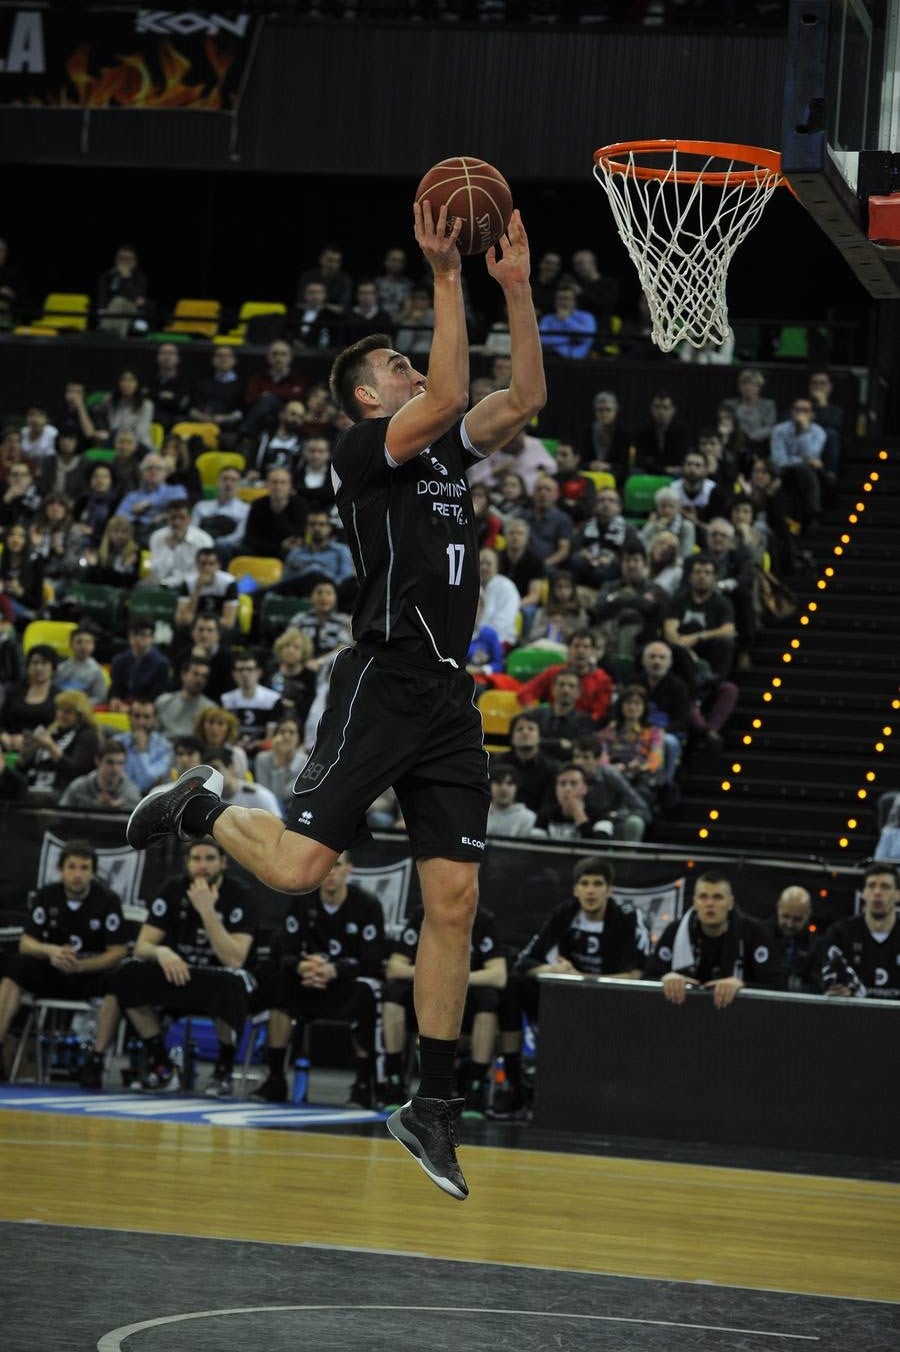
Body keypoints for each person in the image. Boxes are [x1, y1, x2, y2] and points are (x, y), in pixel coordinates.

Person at [126, 201, 546, 1202]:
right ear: (366, 394)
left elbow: (521, 392)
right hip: (381, 678)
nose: (412, 370)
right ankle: (199, 801)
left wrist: (517, 286)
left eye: (412, 363)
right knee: (300, 867)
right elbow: (446, 393)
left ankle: (431, 1101)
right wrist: (446, 272)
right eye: (394, 367)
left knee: (453, 898)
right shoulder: (362, 453)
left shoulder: (444, 455)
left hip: (448, 695)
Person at [495, 857, 646, 1118]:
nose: (590, 890)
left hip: (611, 1001)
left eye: (598, 884)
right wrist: (552, 970)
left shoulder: (626, 918)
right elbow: (524, 963)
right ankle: (513, 1085)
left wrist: (582, 978)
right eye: (584, 884)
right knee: (513, 987)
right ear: (575, 889)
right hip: (565, 1000)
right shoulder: (564, 914)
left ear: (610, 890)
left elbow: (635, 975)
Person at [108, 837, 257, 1093]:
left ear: (223, 863)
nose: (202, 866)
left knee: (230, 985)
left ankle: (224, 1068)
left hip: (218, 976)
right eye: (196, 859)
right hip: (177, 971)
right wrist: (163, 951)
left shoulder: (241, 895)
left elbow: (234, 959)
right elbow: (143, 946)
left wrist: (207, 911)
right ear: (187, 863)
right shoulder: (172, 889)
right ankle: (161, 1063)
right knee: (126, 974)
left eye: (210, 859)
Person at [252, 851, 384, 1107]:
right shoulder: (302, 901)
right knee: (278, 985)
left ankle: (363, 1084)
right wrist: (303, 967)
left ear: (349, 870)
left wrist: (335, 970)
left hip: (346, 983)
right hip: (308, 980)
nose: (331, 872)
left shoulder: (367, 905)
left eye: (337, 866)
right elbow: (285, 952)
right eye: (326, 867)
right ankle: (276, 1078)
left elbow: (373, 960)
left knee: (368, 993)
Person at [0, 840, 126, 1090]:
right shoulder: (47, 896)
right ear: (61, 869)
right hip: (52, 971)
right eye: (72, 867)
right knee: (16, 967)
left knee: (121, 979)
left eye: (84, 868)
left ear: (92, 872)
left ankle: (95, 1060)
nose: (78, 874)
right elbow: (26, 942)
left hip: (88, 973)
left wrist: (83, 966)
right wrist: (51, 951)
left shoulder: (107, 901)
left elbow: (118, 951)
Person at [381, 902, 506, 1117]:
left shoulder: (482, 919)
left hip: (464, 1001)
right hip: (426, 998)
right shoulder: (423, 914)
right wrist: (433, 976)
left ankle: (475, 1089)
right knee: (393, 995)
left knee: (489, 1000)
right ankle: (394, 1082)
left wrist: (454, 979)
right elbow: (394, 967)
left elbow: (498, 975)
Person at [644, 871, 784, 1006]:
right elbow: (646, 978)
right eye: (703, 897)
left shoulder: (754, 932)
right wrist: (665, 979)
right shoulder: (675, 931)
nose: (710, 903)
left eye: (717, 897)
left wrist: (743, 985)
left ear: (730, 902)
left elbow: (778, 985)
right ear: (694, 902)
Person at [0, 688, 100, 804]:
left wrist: (50, 747)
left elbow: (75, 770)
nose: (60, 715)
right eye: (59, 710)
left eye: (67, 712)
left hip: (63, 792)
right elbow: (22, 769)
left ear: (80, 715)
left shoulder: (87, 736)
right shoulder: (51, 732)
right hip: (34, 786)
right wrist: (25, 755)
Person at [820, 864, 900, 999]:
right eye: (871, 886)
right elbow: (829, 979)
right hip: (853, 1015)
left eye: (885, 887)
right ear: (863, 893)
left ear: (898, 894)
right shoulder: (839, 933)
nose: (877, 892)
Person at [517, 630, 614, 727]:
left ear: (592, 652)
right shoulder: (553, 672)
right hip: (552, 724)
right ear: (568, 649)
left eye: (586, 647)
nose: (581, 651)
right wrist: (534, 714)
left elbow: (600, 712)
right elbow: (525, 692)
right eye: (576, 646)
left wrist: (582, 723)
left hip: (584, 728)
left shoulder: (602, 680)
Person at [220, 653, 283, 763]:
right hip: (234, 752)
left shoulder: (272, 699)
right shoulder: (226, 700)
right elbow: (226, 734)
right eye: (240, 670)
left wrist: (256, 744)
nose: (244, 674)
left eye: (249, 669)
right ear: (234, 674)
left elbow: (271, 738)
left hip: (264, 753)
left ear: (258, 672)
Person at [117, 455, 188, 547]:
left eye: (158, 468)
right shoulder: (132, 497)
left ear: (166, 473)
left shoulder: (176, 490)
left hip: (166, 537)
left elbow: (180, 506)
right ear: (141, 473)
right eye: (149, 468)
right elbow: (119, 518)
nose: (153, 471)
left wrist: (150, 504)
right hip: (137, 536)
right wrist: (134, 514)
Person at [242, 466, 308, 560]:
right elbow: (250, 537)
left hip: (288, 551)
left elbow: (298, 535)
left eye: (282, 483)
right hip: (261, 550)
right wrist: (278, 546)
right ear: (267, 484)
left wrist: (279, 512)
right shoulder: (258, 504)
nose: (278, 487)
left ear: (290, 486)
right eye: (274, 482)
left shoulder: (300, 505)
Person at [146, 501, 214, 592]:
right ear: (168, 518)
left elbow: (198, 574)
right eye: (173, 518)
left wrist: (169, 583)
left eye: (182, 518)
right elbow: (156, 571)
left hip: (191, 588)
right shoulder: (157, 537)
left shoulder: (204, 541)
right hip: (160, 586)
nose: (177, 522)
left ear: (190, 519)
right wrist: (169, 547)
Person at [59, 738, 142, 811]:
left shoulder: (131, 794)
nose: (115, 769)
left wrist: (118, 810)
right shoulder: (78, 788)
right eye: (110, 762)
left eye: (120, 763)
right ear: (97, 761)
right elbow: (60, 818)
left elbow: (136, 826)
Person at [766, 885, 821, 994]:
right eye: (785, 916)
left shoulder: (816, 946)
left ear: (808, 914)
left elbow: (818, 986)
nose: (789, 924)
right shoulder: (759, 935)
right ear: (778, 908)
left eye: (797, 919)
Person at [108, 619, 171, 710]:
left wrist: (132, 708)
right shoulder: (118, 661)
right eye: (134, 635)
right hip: (122, 707)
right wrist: (114, 699)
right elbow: (115, 688)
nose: (137, 639)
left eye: (143, 635)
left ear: (152, 638)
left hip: (147, 709)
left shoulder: (161, 664)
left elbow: (157, 697)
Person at [174, 547, 239, 634]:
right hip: (196, 625)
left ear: (218, 566)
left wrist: (208, 626)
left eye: (211, 564)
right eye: (203, 564)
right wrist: (197, 589)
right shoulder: (188, 582)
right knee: (181, 631)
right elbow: (181, 618)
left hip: (219, 626)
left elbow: (229, 622)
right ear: (197, 565)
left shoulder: (228, 583)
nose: (206, 568)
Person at [117, 697, 174, 793]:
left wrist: (142, 750)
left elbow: (145, 782)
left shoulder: (165, 748)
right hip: (120, 795)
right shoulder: (117, 742)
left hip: (150, 798)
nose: (141, 722)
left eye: (146, 717)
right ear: (129, 717)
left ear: (154, 719)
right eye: (136, 716)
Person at [254, 714, 306, 812]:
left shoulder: (305, 763)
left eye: (291, 732)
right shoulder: (262, 759)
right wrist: (279, 759)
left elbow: (282, 797)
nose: (286, 736)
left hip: (292, 812)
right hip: (266, 811)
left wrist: (280, 761)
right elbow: (268, 798)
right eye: (282, 732)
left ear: (299, 738)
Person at [154, 654, 214, 738]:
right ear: (183, 674)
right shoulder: (163, 701)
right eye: (195, 674)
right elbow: (154, 732)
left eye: (204, 676)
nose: (200, 680)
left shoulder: (210, 708)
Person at [632, 391, 691, 476]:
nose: (660, 412)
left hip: (674, 471)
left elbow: (681, 458)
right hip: (650, 471)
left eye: (665, 408)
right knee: (635, 472)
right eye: (657, 407)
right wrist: (664, 469)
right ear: (651, 409)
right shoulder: (642, 430)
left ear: (673, 410)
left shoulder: (681, 430)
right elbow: (640, 460)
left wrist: (654, 461)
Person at [580, 390, 631, 484]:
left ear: (615, 411)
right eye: (600, 410)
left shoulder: (623, 433)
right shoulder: (587, 431)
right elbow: (580, 460)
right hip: (590, 473)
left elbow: (624, 465)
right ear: (595, 411)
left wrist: (608, 466)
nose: (604, 413)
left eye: (608, 410)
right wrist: (591, 465)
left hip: (613, 474)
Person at [96, 245, 149, 337]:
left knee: (119, 301)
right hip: (113, 313)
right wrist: (102, 309)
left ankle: (104, 332)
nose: (124, 262)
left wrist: (126, 278)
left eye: (128, 259)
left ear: (135, 262)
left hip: (134, 312)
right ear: (116, 260)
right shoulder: (108, 275)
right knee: (123, 317)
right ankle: (120, 341)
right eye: (121, 258)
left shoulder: (140, 278)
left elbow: (137, 300)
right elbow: (102, 296)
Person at [538, 283, 597, 360]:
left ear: (575, 302)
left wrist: (566, 320)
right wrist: (570, 340)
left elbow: (587, 338)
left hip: (577, 363)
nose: (563, 301)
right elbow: (541, 339)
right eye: (560, 298)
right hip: (551, 360)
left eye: (566, 298)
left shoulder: (586, 317)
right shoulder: (548, 318)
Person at [55, 627, 108, 705]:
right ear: (70, 644)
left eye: (87, 642)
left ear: (93, 646)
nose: (83, 646)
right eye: (79, 642)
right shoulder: (61, 668)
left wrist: (79, 704)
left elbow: (100, 698)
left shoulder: (96, 671)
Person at [485, 762, 537, 838]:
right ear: (490, 785)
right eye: (498, 782)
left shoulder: (529, 818)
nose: (504, 789)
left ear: (517, 787)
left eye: (509, 783)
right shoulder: (479, 813)